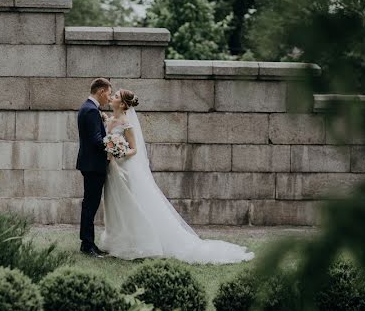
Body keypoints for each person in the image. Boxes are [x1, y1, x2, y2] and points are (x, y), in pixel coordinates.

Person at [99, 89, 255, 264]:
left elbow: (134, 149)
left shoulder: (127, 124)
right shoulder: (109, 119)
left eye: (115, 96)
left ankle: (137, 243)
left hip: (125, 168)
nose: (111, 98)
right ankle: (117, 239)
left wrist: (120, 151)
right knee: (115, 204)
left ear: (122, 104)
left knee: (132, 204)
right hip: (112, 170)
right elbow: (108, 135)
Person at [75, 78, 112, 258]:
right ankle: (87, 244)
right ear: (101, 91)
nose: (109, 98)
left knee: (90, 204)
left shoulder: (89, 109)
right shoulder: (90, 110)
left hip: (91, 164)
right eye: (109, 94)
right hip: (93, 165)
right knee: (90, 205)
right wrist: (114, 147)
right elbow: (97, 141)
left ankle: (88, 243)